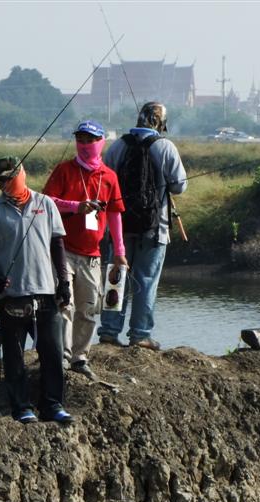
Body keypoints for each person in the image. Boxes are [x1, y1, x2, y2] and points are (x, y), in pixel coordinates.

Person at [0, 156, 74, 424]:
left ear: (23, 174)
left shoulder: (46, 204)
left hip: (46, 292)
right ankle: (21, 408)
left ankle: (53, 405)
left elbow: (57, 245)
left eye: (11, 177)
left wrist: (63, 282)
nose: (7, 183)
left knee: (52, 353)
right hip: (11, 296)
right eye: (1, 180)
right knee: (14, 356)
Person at [98, 101, 187, 350]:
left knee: (116, 279)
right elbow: (180, 186)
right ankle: (140, 335)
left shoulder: (118, 146)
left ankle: (108, 331)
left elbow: (105, 181)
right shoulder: (165, 147)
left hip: (118, 227)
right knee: (146, 280)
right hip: (154, 227)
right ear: (161, 122)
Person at [42, 120, 127, 379]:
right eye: (81, 139)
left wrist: (120, 251)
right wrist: (76, 206)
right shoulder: (64, 170)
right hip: (63, 250)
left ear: (100, 142)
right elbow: (48, 202)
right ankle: (64, 356)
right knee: (64, 304)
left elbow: (115, 214)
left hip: (93, 254)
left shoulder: (109, 177)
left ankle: (80, 356)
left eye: (90, 140)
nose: (85, 145)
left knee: (89, 308)